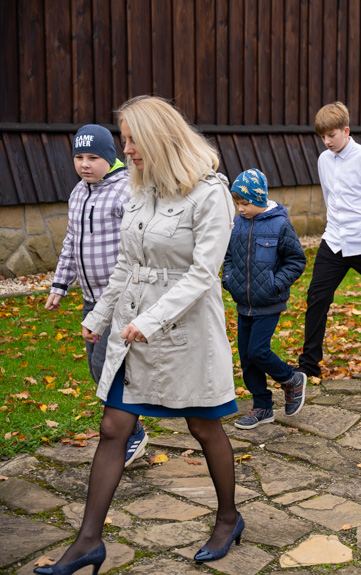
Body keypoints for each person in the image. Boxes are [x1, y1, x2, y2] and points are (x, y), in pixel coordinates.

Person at [53, 96, 242, 575]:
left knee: (202, 425)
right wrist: (99, 316)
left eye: (133, 140)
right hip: (132, 327)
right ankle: (88, 542)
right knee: (114, 426)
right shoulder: (141, 190)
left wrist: (151, 320)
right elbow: (127, 263)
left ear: (160, 137)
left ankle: (227, 518)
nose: (127, 149)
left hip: (185, 332)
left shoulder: (209, 193)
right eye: (124, 140)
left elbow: (203, 275)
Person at [45, 124, 148, 467]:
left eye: (93, 157)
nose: (85, 164)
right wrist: (60, 285)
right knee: (96, 366)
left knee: (106, 363)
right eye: (79, 157)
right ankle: (130, 424)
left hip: (119, 297)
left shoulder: (125, 190)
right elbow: (71, 243)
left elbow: (137, 244)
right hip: (91, 299)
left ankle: (130, 433)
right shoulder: (78, 192)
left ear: (110, 156)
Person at [297, 102, 361, 380]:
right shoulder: (323, 160)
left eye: (331, 135)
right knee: (317, 297)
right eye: (322, 136)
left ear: (346, 131)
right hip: (334, 241)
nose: (327, 141)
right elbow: (330, 199)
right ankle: (308, 364)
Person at [223, 169, 307, 429]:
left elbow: (296, 261)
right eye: (237, 203)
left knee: (258, 351)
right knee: (247, 359)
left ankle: (291, 379)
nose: (240, 208)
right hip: (243, 302)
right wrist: (229, 278)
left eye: (245, 203)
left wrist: (275, 284)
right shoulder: (236, 225)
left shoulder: (279, 224)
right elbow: (227, 257)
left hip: (269, 301)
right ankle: (262, 407)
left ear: (259, 200)